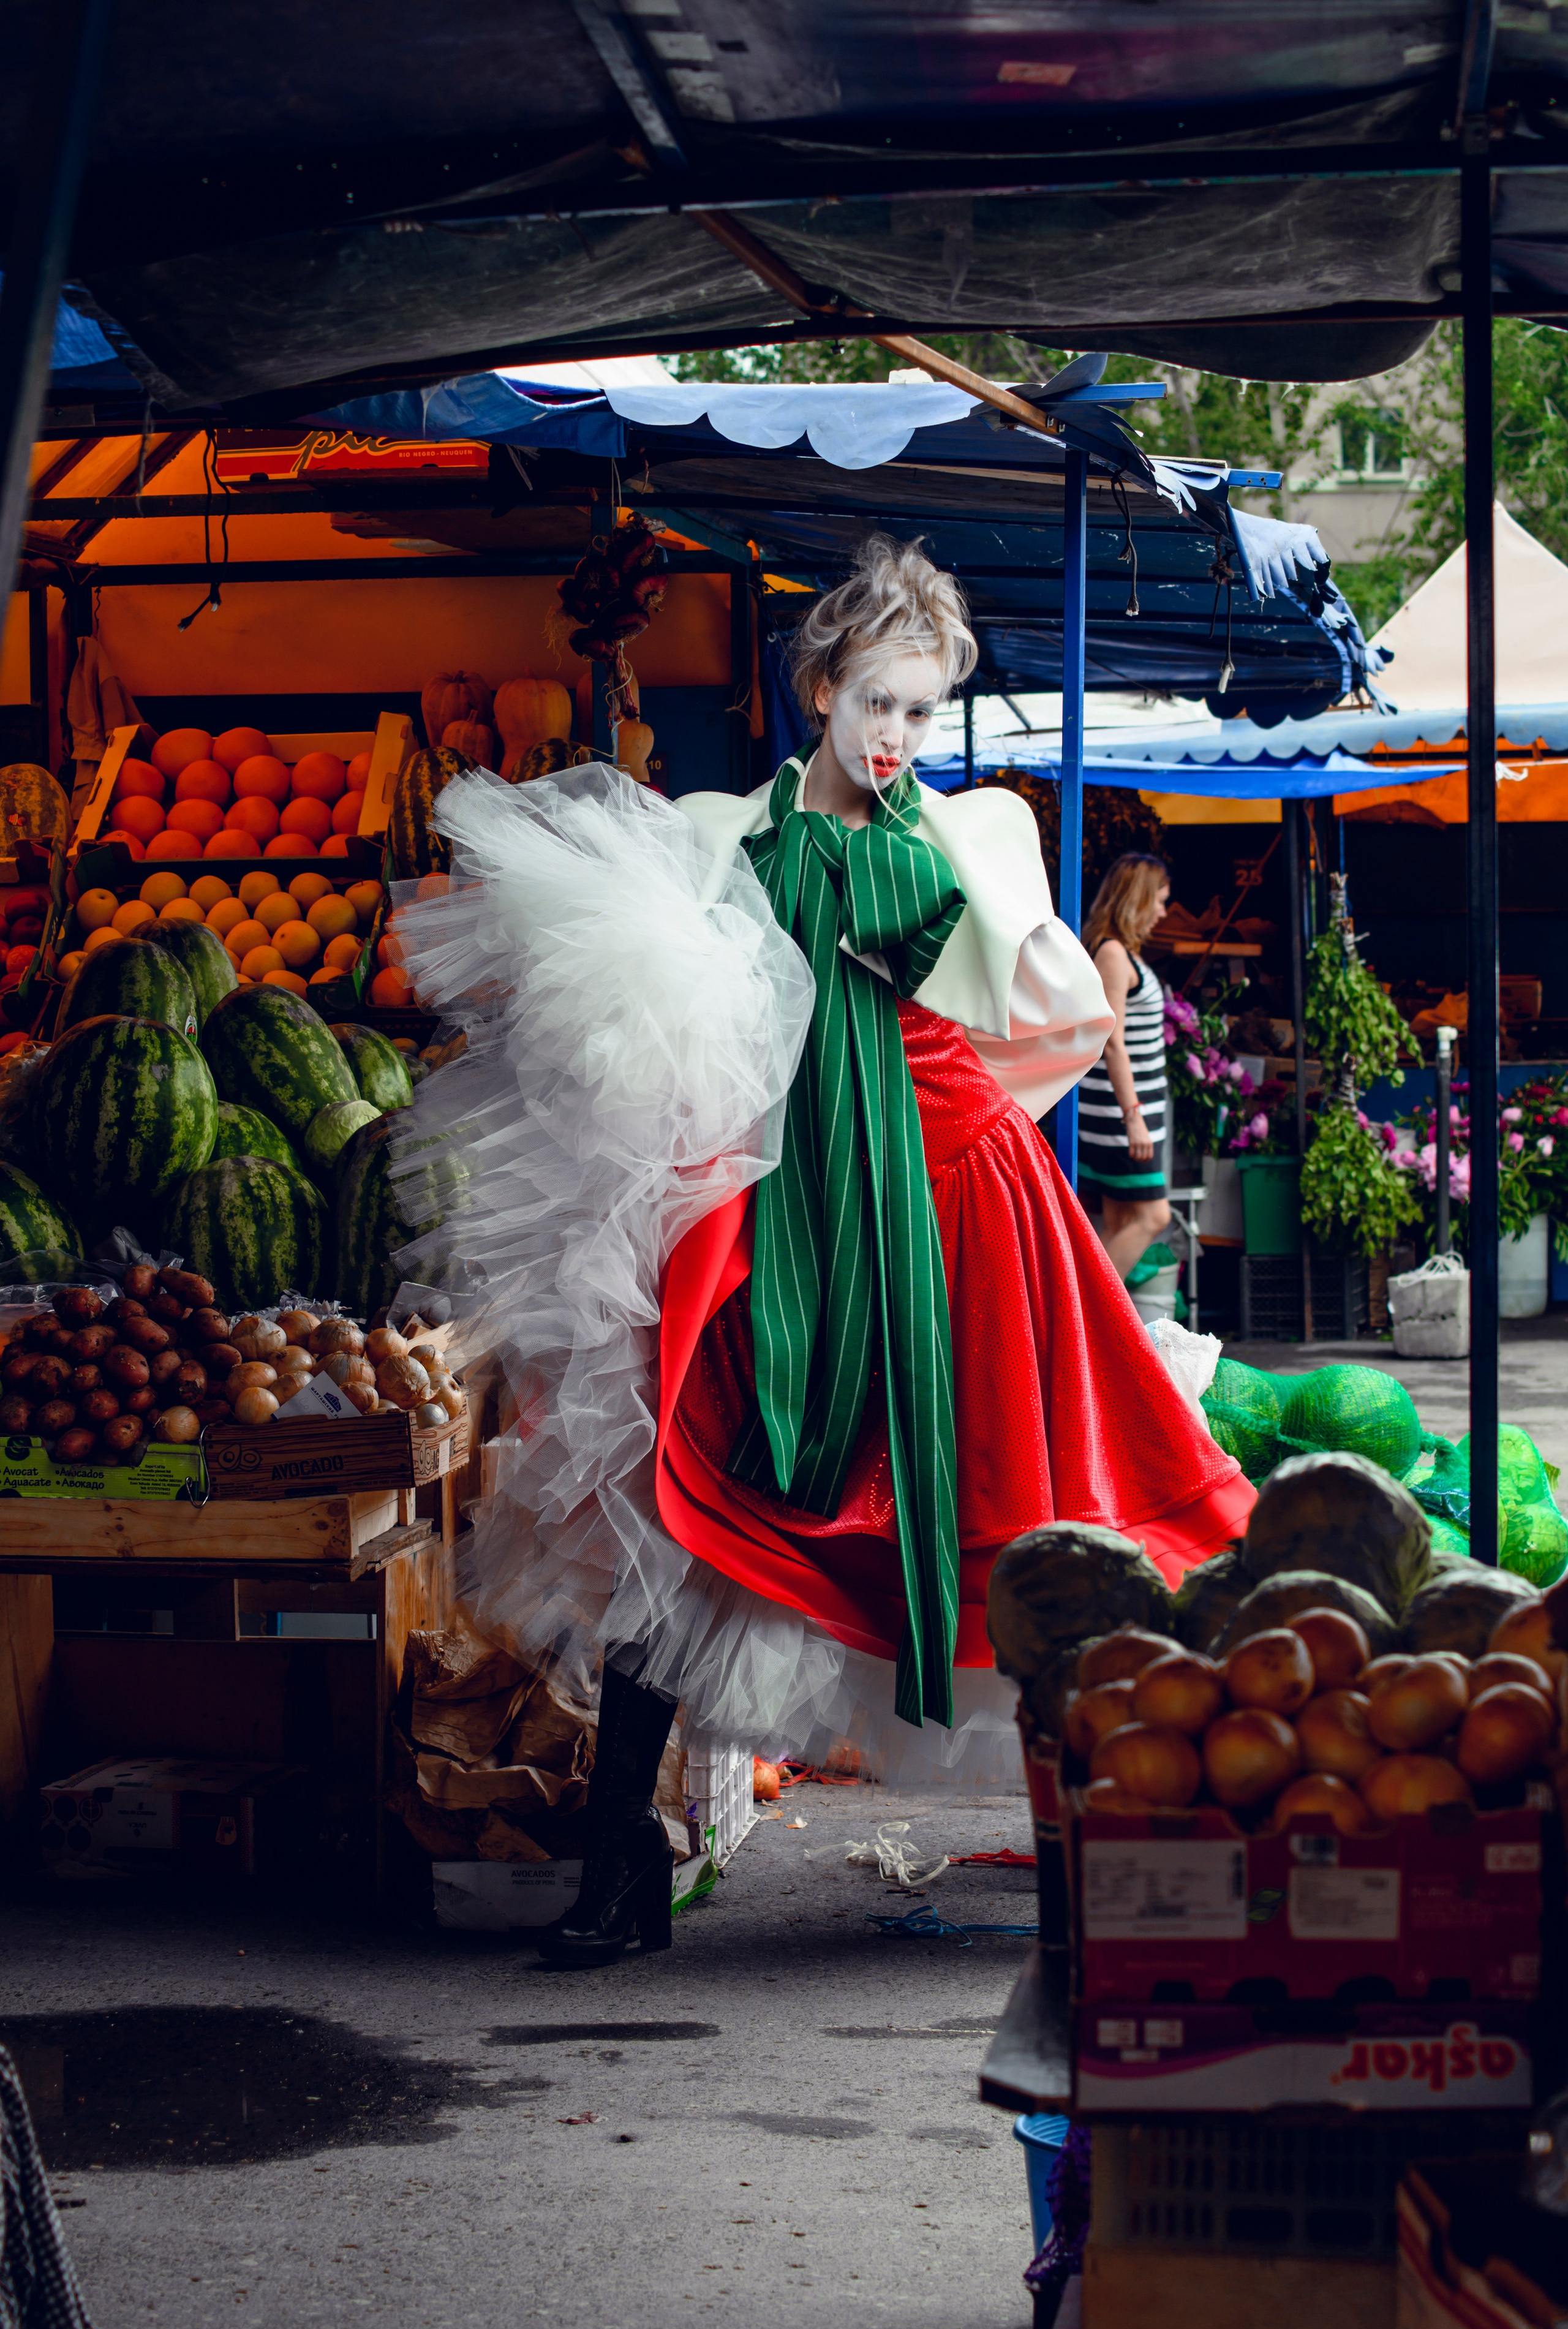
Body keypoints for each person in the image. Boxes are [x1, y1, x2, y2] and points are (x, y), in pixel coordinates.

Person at [393, 537, 1252, 1969]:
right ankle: (615, 1862)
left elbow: (1055, 1015)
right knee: (684, 1493)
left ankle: (1104, 1855)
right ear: (817, 687)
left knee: (1021, 1508)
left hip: (955, 1199)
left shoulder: (971, 835)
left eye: (919, 706)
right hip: (781, 1205)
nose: (896, 731)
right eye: (875, 699)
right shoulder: (724, 835)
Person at [1077, 853, 1174, 1280]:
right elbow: (1112, 1042)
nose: (1163, 913)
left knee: (1120, 1222)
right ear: (1139, 900)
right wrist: (1133, 1115)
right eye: (1160, 902)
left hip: (1125, 1110)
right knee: (1155, 1216)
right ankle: (1087, 1309)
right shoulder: (1114, 953)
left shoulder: (1119, 950)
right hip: (1121, 1113)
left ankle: (1095, 1315)